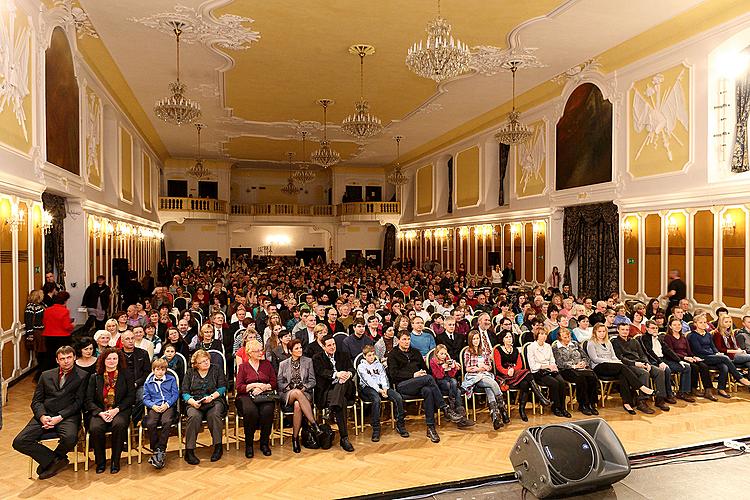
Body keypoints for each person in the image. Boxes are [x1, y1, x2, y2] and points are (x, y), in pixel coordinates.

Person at [12, 346, 86, 480]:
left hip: (67, 416)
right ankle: (54, 461)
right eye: (62, 358)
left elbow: (78, 403)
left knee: (70, 438)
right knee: (19, 441)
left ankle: (53, 460)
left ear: (74, 357)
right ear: (57, 360)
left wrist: (60, 417)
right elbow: (36, 401)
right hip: (45, 414)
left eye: (69, 357)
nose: (66, 361)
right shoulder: (46, 375)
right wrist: (42, 416)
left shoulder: (83, 376)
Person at [387, 331, 463, 443]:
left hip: (420, 383)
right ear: (398, 340)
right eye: (404, 339)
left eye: (408, 339)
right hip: (403, 385)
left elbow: (426, 371)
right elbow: (393, 375)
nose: (407, 341)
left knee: (428, 389)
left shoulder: (415, 352)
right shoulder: (393, 354)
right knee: (428, 379)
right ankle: (444, 408)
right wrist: (413, 375)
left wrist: (422, 373)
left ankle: (430, 428)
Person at [586, 324, 655, 414]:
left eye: (604, 331)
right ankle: (641, 387)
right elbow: (595, 359)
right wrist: (611, 361)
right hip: (599, 366)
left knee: (623, 375)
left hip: (612, 366)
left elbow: (614, 357)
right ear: (595, 332)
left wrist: (617, 361)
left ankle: (627, 403)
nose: (602, 334)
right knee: (623, 367)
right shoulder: (591, 343)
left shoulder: (608, 342)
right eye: (599, 331)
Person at [85, 348, 134, 474]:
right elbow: (89, 400)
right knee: (95, 428)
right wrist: (100, 412)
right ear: (103, 360)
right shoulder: (94, 377)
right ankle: (100, 462)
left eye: (114, 358)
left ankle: (115, 461)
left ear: (119, 360)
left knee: (119, 425)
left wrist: (116, 410)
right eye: (109, 359)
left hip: (120, 410)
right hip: (100, 411)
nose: (112, 361)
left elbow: (131, 397)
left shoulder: (126, 375)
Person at [611, 323, 673, 411]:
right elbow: (620, 357)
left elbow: (642, 355)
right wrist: (635, 363)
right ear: (618, 330)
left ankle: (660, 399)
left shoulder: (634, 341)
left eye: (627, 330)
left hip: (641, 363)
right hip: (628, 365)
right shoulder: (615, 342)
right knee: (644, 373)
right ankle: (641, 401)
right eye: (623, 329)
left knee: (660, 371)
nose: (625, 332)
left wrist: (647, 363)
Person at [182, 349, 228, 464]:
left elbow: (222, 387)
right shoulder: (190, 373)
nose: (206, 363)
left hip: (214, 399)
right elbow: (184, 392)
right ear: (196, 364)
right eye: (202, 361)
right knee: (193, 416)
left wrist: (212, 397)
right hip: (195, 401)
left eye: (207, 360)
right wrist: (192, 401)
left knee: (215, 414)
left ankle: (218, 446)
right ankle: (189, 451)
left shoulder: (216, 369)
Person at [688, 314, 750, 398]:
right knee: (725, 357)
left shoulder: (707, 334)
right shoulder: (693, 335)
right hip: (702, 357)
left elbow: (713, 346)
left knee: (724, 366)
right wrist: (715, 354)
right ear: (695, 324)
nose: (703, 324)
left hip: (712, 356)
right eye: (700, 322)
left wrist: (717, 353)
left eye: (704, 322)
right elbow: (699, 350)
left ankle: (721, 389)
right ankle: (739, 378)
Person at [312, 335, 356, 452]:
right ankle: (344, 438)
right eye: (329, 345)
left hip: (346, 389)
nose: (333, 347)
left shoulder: (343, 355)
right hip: (328, 391)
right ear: (323, 346)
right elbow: (321, 372)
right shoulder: (317, 358)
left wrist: (347, 375)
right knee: (341, 403)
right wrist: (337, 374)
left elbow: (352, 370)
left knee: (343, 383)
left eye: (334, 344)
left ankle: (331, 408)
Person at [494, 331, 551, 421]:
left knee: (525, 384)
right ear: (502, 339)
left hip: (516, 374)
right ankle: (541, 398)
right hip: (505, 376)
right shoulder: (498, 350)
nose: (509, 339)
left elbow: (519, 365)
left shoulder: (516, 349)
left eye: (510, 337)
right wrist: (507, 371)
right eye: (506, 337)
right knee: (527, 373)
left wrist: (513, 369)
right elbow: (498, 366)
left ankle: (522, 410)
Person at [357, 344, 409, 441]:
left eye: (373, 355)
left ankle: (400, 425)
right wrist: (380, 390)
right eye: (369, 355)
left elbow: (383, 377)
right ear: (364, 356)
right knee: (376, 400)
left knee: (398, 397)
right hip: (368, 388)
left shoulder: (379, 365)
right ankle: (376, 429)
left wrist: (385, 388)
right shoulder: (361, 366)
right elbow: (368, 381)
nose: (372, 357)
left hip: (382, 387)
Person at [277, 338, 320, 453]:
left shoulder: (308, 361)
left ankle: (295, 438)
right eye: (296, 348)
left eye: (300, 347)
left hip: (305, 393)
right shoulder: (283, 364)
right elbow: (279, 383)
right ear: (291, 351)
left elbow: (312, 381)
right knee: (296, 393)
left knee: (297, 405)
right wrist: (290, 387)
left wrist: (305, 387)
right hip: (288, 394)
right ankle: (314, 424)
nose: (300, 350)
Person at [235, 339, 277, 458]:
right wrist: (254, 385)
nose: (260, 353)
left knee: (267, 411)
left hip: (264, 395)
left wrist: (264, 387)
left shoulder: (267, 364)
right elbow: (239, 387)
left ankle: (264, 442)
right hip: (246, 396)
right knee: (250, 412)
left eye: (261, 350)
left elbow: (273, 382)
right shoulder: (243, 367)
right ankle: (249, 444)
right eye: (257, 351)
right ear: (249, 353)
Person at [639, 320, 695, 402]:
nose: (655, 330)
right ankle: (668, 395)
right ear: (647, 329)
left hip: (663, 359)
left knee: (686, 367)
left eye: (656, 328)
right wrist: (660, 362)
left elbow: (668, 350)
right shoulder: (644, 338)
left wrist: (679, 361)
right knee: (666, 369)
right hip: (653, 361)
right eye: (652, 328)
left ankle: (683, 392)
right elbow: (649, 352)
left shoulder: (659, 338)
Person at [663, 317, 716, 400]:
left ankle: (708, 390)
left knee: (703, 366)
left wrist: (693, 357)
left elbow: (688, 350)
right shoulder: (667, 337)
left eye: (679, 324)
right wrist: (685, 358)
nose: (677, 326)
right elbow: (671, 352)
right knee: (694, 367)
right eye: (674, 325)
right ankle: (690, 389)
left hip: (687, 357)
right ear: (670, 326)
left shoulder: (683, 337)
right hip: (676, 359)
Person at [462, 332, 507, 429]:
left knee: (490, 389)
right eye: (474, 339)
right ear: (470, 340)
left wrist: (486, 367)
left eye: (477, 338)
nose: (476, 341)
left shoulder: (484, 351)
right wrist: (479, 368)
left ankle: (495, 418)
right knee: (493, 383)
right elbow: (468, 368)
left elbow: (489, 366)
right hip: (474, 377)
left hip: (485, 375)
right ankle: (502, 408)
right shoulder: (467, 351)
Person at [551, 328, 600, 415]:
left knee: (593, 377)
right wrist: (574, 365)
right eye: (565, 337)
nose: (567, 339)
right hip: (566, 370)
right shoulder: (556, 347)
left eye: (569, 336)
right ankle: (583, 404)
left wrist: (584, 363)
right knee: (581, 379)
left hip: (581, 368)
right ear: (559, 338)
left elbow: (585, 356)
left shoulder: (575, 344)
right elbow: (559, 363)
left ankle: (592, 404)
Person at [142, 358, 179, 469]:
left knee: (166, 421)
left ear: (165, 370)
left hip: (168, 406)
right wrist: (153, 406)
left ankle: (161, 448)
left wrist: (167, 405)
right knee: (150, 423)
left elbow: (175, 394)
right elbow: (145, 398)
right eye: (157, 369)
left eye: (162, 370)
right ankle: (156, 449)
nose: (160, 372)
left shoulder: (171, 379)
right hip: (155, 406)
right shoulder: (148, 382)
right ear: (153, 370)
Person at [526, 328, 571, 417]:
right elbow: (532, 366)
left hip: (550, 369)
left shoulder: (547, 346)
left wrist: (553, 366)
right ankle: (556, 407)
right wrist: (546, 366)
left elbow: (552, 360)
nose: (544, 336)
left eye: (545, 334)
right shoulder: (531, 347)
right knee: (554, 383)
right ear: (537, 335)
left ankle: (563, 408)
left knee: (562, 382)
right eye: (541, 334)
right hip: (538, 371)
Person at [430, 344, 473, 427]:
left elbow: (451, 375)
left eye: (445, 354)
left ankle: (454, 410)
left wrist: (453, 367)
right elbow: (439, 376)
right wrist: (442, 367)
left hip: (448, 380)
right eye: (441, 354)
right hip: (439, 381)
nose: (443, 356)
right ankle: (461, 418)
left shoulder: (448, 359)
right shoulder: (433, 361)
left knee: (454, 382)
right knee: (454, 387)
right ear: (437, 353)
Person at [119, 330, 149, 423]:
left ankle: (134, 421)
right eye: (127, 339)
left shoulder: (143, 353)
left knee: (142, 398)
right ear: (122, 341)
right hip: (122, 386)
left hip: (139, 384)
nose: (131, 341)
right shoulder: (117, 355)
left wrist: (137, 383)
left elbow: (147, 373)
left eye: (132, 338)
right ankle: (124, 420)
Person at [41, 292, 74, 372]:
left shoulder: (47, 310)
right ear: (65, 301)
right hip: (62, 337)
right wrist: (72, 325)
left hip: (49, 336)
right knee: (63, 355)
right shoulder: (65, 311)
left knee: (50, 355)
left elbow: (44, 322)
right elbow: (67, 326)